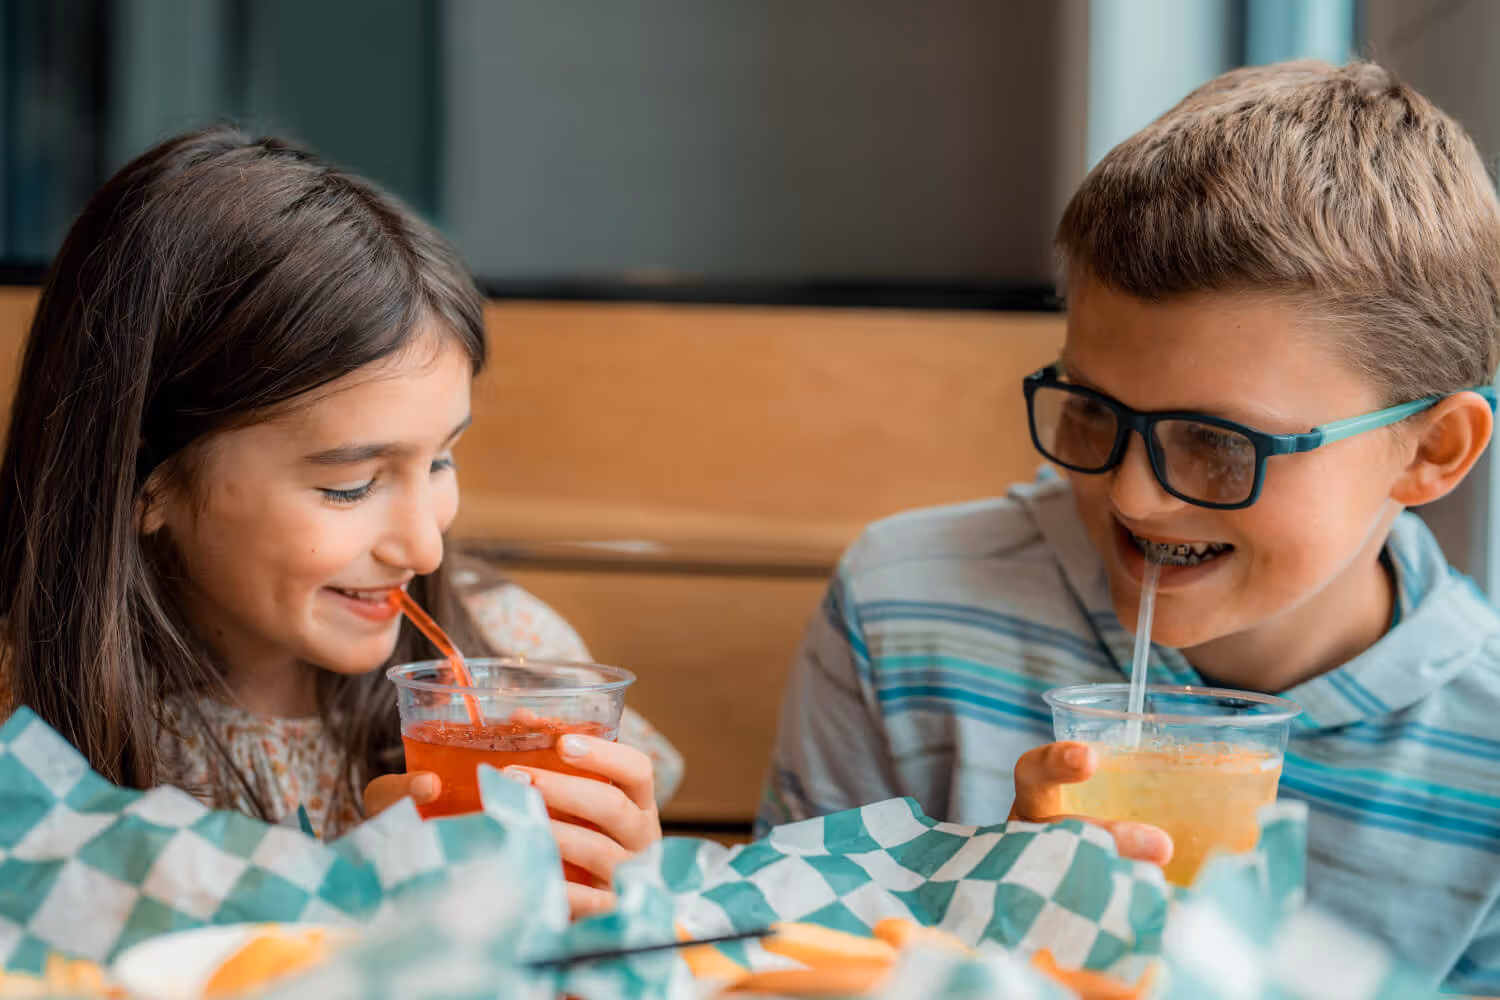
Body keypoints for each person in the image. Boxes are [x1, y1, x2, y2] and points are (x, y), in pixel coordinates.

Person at [760, 60, 1500, 993]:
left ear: (1433, 449)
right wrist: (976, 912)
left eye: (1221, 443)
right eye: (1093, 411)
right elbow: (768, 961)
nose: (1135, 497)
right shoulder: (904, 606)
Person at [0, 126, 672, 918]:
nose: (424, 547)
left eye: (442, 460)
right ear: (147, 482)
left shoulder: (517, 656)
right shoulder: (26, 736)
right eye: (351, 486)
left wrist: (631, 899)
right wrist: (351, 918)